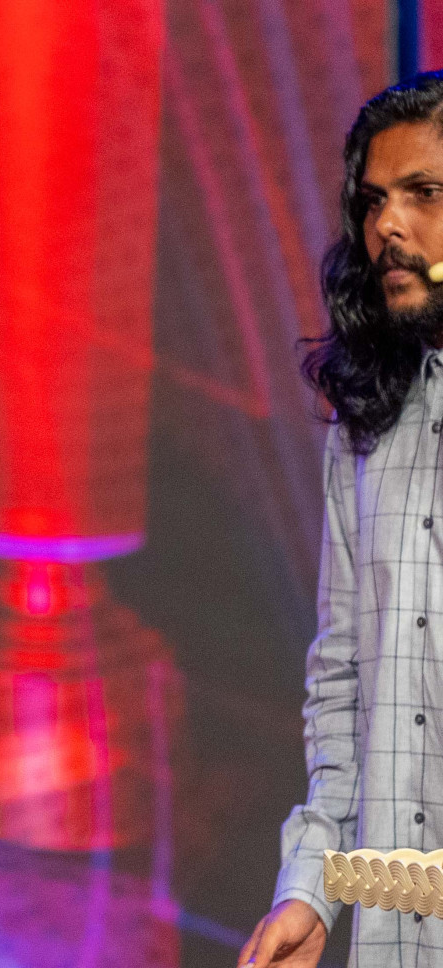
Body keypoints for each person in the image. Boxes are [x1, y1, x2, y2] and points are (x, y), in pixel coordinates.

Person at [240, 72, 443, 968]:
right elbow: (345, 690)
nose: (387, 228)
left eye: (424, 195)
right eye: (372, 202)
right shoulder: (372, 422)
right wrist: (316, 892)